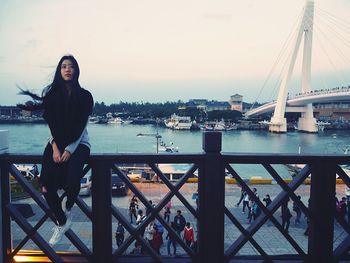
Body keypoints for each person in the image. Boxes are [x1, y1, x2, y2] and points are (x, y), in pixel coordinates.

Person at [17, 55, 93, 246]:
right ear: (59, 71)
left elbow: (82, 127)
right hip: (55, 144)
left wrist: (69, 149)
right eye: (64, 66)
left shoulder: (84, 96)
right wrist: (55, 147)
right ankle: (62, 222)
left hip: (80, 144)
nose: (67, 69)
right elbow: (51, 125)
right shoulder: (53, 95)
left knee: (72, 182)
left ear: (76, 71)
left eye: (71, 66)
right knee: (45, 187)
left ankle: (67, 208)